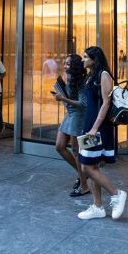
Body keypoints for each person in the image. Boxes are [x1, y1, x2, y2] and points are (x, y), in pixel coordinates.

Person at [76, 46, 128, 221]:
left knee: (87, 166)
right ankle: (97, 206)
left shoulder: (104, 75)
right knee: (91, 165)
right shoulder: (91, 75)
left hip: (97, 127)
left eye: (85, 57)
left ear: (94, 58)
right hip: (89, 125)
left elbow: (106, 103)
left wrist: (95, 127)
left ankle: (116, 194)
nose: (83, 59)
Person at [52, 54, 89, 197]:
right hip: (69, 113)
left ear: (75, 66)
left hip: (78, 116)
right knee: (59, 146)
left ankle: (84, 186)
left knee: (76, 150)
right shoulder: (69, 78)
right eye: (65, 63)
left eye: (68, 64)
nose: (65, 66)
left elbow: (83, 104)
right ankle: (83, 174)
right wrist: (61, 96)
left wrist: (63, 98)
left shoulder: (82, 82)